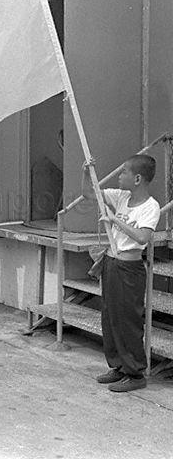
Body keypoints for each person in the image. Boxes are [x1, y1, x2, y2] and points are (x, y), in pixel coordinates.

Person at [83, 155, 160, 393]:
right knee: (110, 317)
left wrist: (115, 219)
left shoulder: (151, 206)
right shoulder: (121, 197)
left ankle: (135, 373)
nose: (119, 175)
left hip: (130, 268)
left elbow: (142, 237)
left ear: (137, 178)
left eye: (124, 171)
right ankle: (117, 366)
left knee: (128, 320)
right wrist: (86, 172)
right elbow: (89, 194)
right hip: (112, 264)